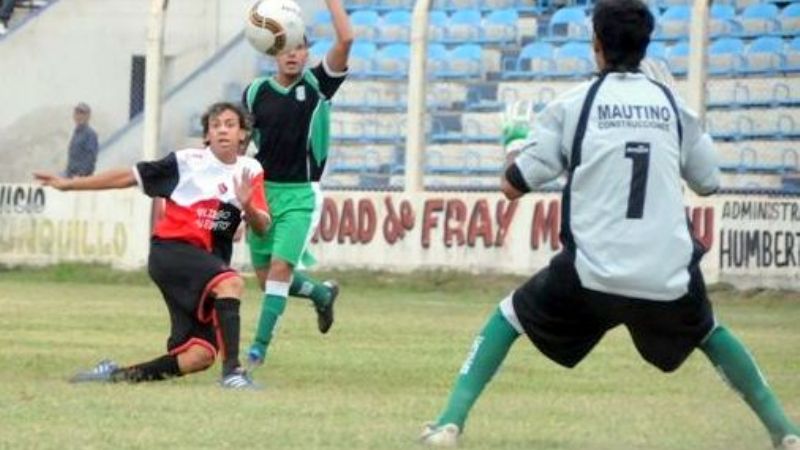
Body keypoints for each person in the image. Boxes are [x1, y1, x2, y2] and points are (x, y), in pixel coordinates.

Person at [419, 0, 800, 448]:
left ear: (596, 45)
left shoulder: (574, 105)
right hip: (665, 273)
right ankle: (786, 432)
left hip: (592, 271)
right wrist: (687, 114)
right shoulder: (670, 104)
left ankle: (448, 424)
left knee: (507, 319)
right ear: (645, 47)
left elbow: (512, 186)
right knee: (710, 333)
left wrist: (513, 143)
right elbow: (710, 182)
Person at [34, 102, 271, 389]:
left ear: (243, 134)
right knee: (231, 283)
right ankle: (233, 372)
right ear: (207, 135)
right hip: (171, 252)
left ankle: (114, 375)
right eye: (215, 125)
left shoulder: (250, 170)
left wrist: (248, 206)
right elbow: (128, 177)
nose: (222, 130)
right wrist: (69, 184)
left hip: (203, 265)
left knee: (198, 356)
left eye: (230, 124)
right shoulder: (187, 162)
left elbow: (262, 225)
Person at [242, 0, 353, 368]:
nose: (293, 54)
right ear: (274, 51)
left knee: (279, 271)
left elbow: (347, 39)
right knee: (265, 278)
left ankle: (258, 349)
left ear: (308, 53)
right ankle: (321, 294)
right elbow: (244, 143)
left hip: (301, 194)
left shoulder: (318, 85)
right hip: (262, 192)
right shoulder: (255, 92)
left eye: (300, 46)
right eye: (287, 48)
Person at [64, 102, 99, 178]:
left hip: (81, 178)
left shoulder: (90, 134)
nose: (79, 117)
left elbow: (90, 158)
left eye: (82, 114)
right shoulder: (76, 133)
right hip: (71, 175)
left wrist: (81, 174)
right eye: (77, 114)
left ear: (88, 116)